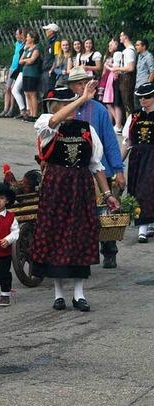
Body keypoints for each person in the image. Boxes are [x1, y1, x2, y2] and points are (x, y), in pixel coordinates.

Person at [32, 85, 120, 311]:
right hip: (56, 187)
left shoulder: (87, 129)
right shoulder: (46, 124)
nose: (74, 108)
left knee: (80, 236)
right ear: (57, 106)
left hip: (80, 187)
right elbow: (54, 122)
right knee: (55, 235)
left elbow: (96, 165)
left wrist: (107, 194)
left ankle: (79, 294)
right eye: (68, 103)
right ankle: (58, 293)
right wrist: (81, 99)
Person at [67, 67, 126, 268]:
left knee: (105, 213)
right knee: (80, 214)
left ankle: (109, 251)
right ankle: (83, 252)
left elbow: (110, 142)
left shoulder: (99, 110)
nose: (83, 86)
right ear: (72, 87)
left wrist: (119, 170)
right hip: (75, 171)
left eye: (85, 82)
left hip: (101, 170)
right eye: (78, 83)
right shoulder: (68, 109)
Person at [122, 82, 154, 242]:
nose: (143, 100)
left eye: (147, 97)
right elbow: (127, 142)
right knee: (137, 190)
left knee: (146, 190)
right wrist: (118, 165)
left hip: (152, 157)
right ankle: (145, 225)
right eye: (140, 97)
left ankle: (144, 227)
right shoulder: (134, 116)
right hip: (137, 157)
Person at [0, 28, 25, 118]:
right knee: (7, 88)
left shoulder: (24, 44)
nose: (16, 36)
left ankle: (11, 109)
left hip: (18, 68)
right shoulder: (17, 44)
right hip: (12, 67)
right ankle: (5, 109)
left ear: (22, 35)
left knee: (14, 88)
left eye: (18, 34)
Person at [100, 38, 123, 132]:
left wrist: (107, 66)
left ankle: (118, 123)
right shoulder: (108, 56)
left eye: (111, 44)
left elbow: (115, 68)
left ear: (117, 45)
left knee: (109, 103)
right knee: (108, 103)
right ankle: (111, 124)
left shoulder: (117, 54)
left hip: (113, 79)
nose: (109, 46)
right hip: (107, 80)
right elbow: (104, 72)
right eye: (109, 45)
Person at [112, 30, 137, 117]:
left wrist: (117, 68)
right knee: (125, 103)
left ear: (125, 37)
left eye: (121, 36)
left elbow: (130, 68)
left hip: (127, 79)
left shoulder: (130, 51)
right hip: (123, 78)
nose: (120, 38)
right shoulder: (126, 50)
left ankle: (132, 123)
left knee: (128, 103)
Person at [19, 30, 41, 122]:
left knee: (32, 94)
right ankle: (30, 113)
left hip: (33, 73)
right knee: (27, 93)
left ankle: (34, 114)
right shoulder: (27, 48)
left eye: (28, 37)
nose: (26, 38)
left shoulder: (37, 48)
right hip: (26, 73)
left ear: (33, 38)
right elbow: (20, 61)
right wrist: (26, 59)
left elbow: (32, 60)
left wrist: (25, 60)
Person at [41, 23, 61, 93]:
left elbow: (57, 57)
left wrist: (52, 69)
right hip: (45, 69)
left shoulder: (56, 42)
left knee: (49, 92)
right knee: (44, 92)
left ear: (52, 31)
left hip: (50, 70)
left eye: (47, 30)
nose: (46, 32)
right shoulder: (49, 42)